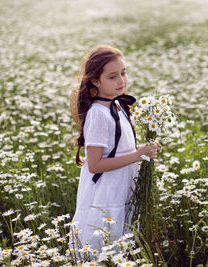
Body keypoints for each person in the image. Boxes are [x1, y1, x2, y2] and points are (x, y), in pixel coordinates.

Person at [69, 45, 161, 252]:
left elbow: (120, 149)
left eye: (123, 73)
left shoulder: (118, 106)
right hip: (107, 190)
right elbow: (95, 165)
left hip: (122, 184)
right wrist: (138, 155)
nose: (121, 80)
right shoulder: (98, 114)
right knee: (105, 240)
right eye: (112, 76)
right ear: (95, 80)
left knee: (124, 239)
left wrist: (145, 149)